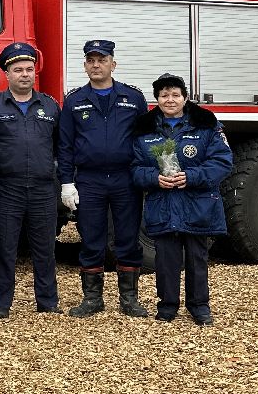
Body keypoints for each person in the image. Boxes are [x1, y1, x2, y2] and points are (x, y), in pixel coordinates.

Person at [58, 39, 151, 319]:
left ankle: (129, 299)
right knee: (91, 238)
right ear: (85, 66)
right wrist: (66, 183)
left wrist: (146, 174)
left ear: (113, 64)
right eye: (91, 61)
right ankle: (92, 298)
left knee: (128, 238)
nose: (96, 65)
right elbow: (65, 145)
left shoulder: (133, 98)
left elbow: (145, 140)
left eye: (102, 60)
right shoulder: (74, 100)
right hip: (89, 180)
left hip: (125, 179)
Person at [131, 74, 233, 326]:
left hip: (197, 204)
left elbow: (222, 162)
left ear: (185, 98)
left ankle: (199, 306)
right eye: (164, 95)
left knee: (197, 257)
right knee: (166, 259)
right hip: (163, 204)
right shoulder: (144, 129)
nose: (170, 100)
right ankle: (167, 305)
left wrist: (192, 176)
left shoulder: (206, 124)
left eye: (175, 95)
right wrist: (154, 178)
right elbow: (134, 168)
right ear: (156, 99)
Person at [0, 42, 62, 319]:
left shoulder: (50, 105)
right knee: (3, 249)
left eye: (29, 69)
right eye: (18, 70)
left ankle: (47, 302)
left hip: (43, 188)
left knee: (45, 249)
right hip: (6, 188)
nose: (25, 74)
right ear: (7, 74)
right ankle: (1, 304)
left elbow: (60, 146)